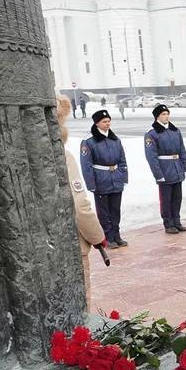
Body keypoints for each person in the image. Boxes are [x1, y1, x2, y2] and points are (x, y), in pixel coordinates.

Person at [56, 94, 106, 311]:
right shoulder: (62, 157)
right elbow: (79, 207)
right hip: (69, 245)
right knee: (78, 309)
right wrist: (97, 236)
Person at [80, 109, 128, 249]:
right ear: (97, 124)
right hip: (101, 180)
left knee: (115, 209)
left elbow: (122, 160)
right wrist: (91, 184)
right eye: (104, 122)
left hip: (116, 178)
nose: (107, 124)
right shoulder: (89, 141)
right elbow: (86, 166)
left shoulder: (115, 139)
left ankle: (116, 235)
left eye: (108, 121)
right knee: (104, 211)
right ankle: (107, 237)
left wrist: (123, 176)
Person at [145, 103, 186, 235]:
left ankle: (177, 221)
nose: (166, 116)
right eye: (163, 114)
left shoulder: (175, 130)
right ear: (157, 117)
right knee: (166, 199)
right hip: (165, 169)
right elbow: (151, 157)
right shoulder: (152, 134)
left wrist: (185, 166)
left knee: (177, 197)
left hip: (176, 168)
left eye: (167, 114)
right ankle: (168, 223)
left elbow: (182, 149)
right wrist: (158, 174)